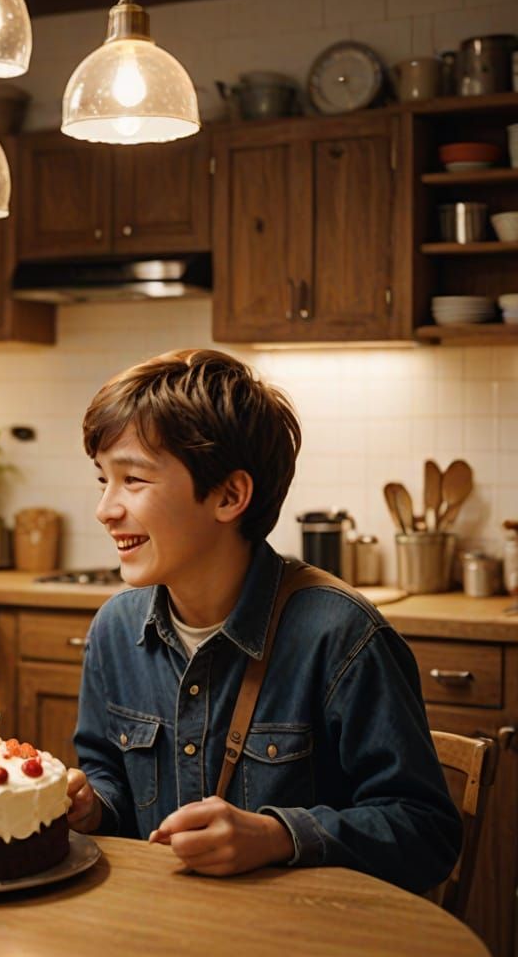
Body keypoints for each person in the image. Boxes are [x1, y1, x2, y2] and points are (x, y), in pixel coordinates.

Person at [65, 349, 460, 893]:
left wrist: (278, 835)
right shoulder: (115, 630)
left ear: (230, 495)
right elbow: (108, 772)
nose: (105, 508)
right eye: (102, 480)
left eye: (132, 479)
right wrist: (92, 805)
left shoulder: (342, 636)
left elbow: (426, 832)